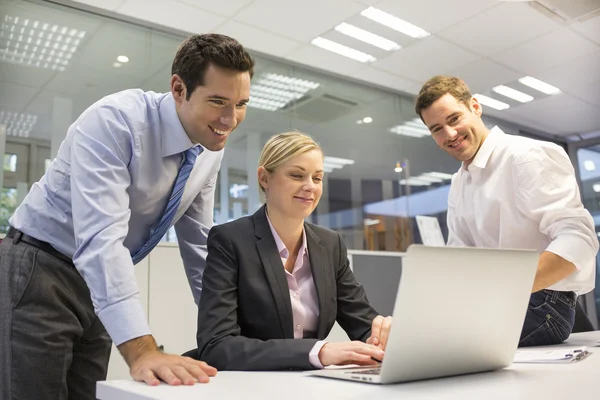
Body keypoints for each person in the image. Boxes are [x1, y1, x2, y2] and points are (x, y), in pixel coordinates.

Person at [0, 33, 254, 399]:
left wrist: (231, 333)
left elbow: (200, 244)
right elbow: (100, 240)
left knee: (88, 393)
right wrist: (142, 349)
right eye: (218, 101)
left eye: (242, 103)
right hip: (41, 268)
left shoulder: (209, 147)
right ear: (179, 89)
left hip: (99, 281)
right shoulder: (116, 122)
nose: (231, 119)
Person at [415, 75, 598, 347]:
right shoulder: (459, 182)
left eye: (454, 119)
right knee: (418, 336)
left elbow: (579, 239)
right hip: (494, 299)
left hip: (545, 302)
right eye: (437, 129)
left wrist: (506, 287)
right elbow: (460, 255)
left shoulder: (526, 155)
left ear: (475, 107)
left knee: (440, 344)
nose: (449, 135)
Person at [193, 131, 393, 370]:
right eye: (297, 175)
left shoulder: (330, 245)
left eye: (317, 178)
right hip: (249, 385)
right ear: (264, 178)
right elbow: (216, 345)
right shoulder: (230, 240)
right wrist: (318, 351)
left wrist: (384, 335)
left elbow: (362, 323)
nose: (310, 187)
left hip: (309, 384)